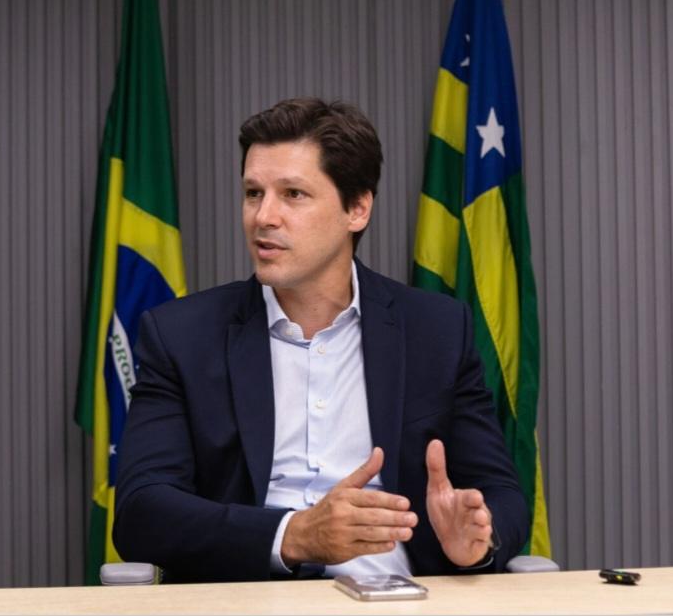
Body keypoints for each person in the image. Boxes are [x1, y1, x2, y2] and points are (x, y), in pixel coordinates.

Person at [113, 98, 529, 583]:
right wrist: (292, 535)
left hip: (398, 599)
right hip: (244, 600)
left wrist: (476, 539)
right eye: (253, 193)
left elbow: (501, 494)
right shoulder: (181, 335)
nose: (263, 216)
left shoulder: (435, 330)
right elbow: (142, 511)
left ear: (357, 209)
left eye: (293, 194)